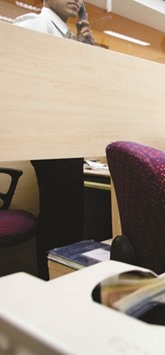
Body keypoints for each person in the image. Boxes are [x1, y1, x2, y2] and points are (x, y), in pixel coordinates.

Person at [14, 0, 95, 279]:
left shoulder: (68, 35)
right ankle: (49, 278)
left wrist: (85, 35)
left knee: (70, 220)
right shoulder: (34, 25)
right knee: (60, 220)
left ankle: (58, 277)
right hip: (49, 139)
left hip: (67, 139)